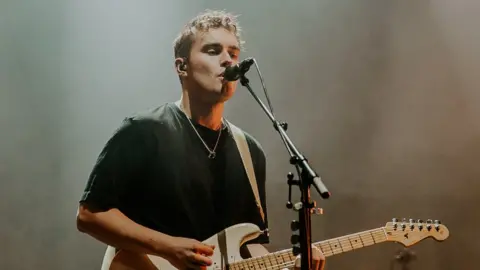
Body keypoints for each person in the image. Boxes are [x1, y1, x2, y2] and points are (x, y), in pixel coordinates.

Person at [76, 9, 325, 270]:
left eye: (233, 53)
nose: (228, 60)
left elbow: (246, 252)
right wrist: (168, 247)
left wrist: (293, 267)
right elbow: (90, 215)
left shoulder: (250, 151)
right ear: (181, 66)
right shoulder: (144, 131)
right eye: (213, 50)